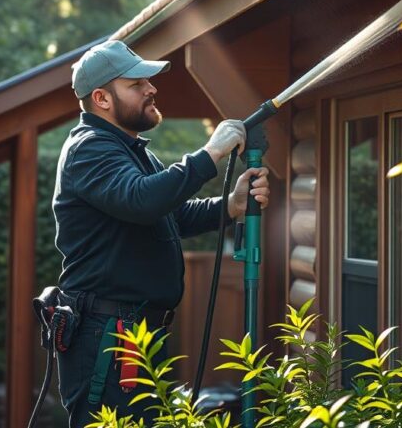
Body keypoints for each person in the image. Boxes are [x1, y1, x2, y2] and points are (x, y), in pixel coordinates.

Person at [51, 40, 270, 426]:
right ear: (101, 98)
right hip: (109, 336)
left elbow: (171, 215)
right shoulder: (89, 149)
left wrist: (230, 206)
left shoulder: (132, 150)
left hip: (136, 333)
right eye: (136, 83)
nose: (151, 87)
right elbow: (141, 200)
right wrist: (210, 154)